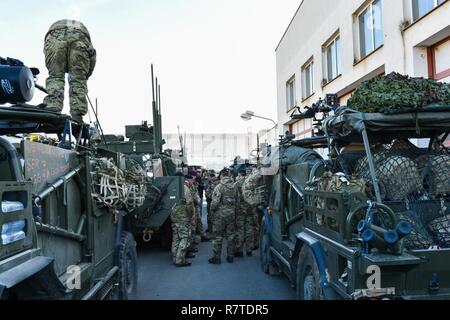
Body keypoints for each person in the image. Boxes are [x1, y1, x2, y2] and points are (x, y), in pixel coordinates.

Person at [43, 19, 96, 123]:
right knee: (78, 80)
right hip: (80, 36)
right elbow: (92, 58)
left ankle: (52, 108)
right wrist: (85, 75)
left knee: (55, 76)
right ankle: (77, 115)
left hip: (54, 34)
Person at [209, 169, 237, 264]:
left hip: (220, 215)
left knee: (217, 236)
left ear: (221, 176)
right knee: (231, 236)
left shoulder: (219, 187)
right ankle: (230, 256)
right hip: (231, 214)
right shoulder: (234, 186)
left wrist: (212, 210)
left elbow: (215, 202)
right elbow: (238, 200)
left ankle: (216, 258)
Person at [171, 174, 194, 267]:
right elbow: (189, 203)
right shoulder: (184, 188)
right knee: (184, 237)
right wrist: (190, 214)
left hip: (173, 216)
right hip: (183, 216)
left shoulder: (171, 186)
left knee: (176, 238)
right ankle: (179, 260)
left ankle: (174, 256)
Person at [234, 169, 255, 257]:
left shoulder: (237, 184)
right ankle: (249, 249)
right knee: (249, 229)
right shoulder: (251, 182)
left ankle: (239, 250)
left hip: (240, 210)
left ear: (239, 175)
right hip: (250, 208)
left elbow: (234, 197)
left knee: (240, 230)